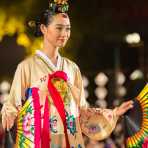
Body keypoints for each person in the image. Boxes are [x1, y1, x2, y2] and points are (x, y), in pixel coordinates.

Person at [1, 0, 133, 147]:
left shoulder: (72, 68)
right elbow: (12, 105)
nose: (64, 33)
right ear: (44, 28)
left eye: (68, 29)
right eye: (59, 28)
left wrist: (113, 113)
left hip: (69, 139)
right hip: (37, 139)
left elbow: (83, 112)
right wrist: (10, 113)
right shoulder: (26, 67)